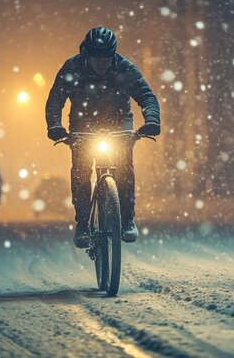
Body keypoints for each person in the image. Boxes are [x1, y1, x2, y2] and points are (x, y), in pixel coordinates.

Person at [45, 26, 161, 248]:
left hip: (119, 123)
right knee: (81, 170)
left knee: (125, 167)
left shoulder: (124, 68)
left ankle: (127, 219)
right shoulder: (72, 67)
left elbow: (146, 96)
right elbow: (55, 100)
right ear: (86, 55)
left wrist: (152, 121)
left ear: (113, 56)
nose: (101, 64)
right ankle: (82, 224)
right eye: (96, 59)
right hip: (83, 125)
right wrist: (55, 126)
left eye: (106, 59)